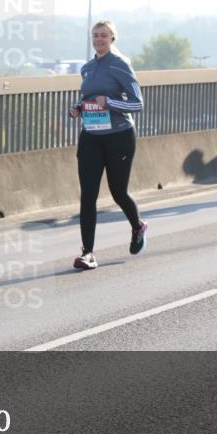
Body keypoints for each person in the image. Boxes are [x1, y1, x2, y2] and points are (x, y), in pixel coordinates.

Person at [68, 20, 146, 270]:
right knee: (87, 196)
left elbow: (137, 103)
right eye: (95, 35)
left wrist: (110, 103)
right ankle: (87, 253)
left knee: (118, 192)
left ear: (112, 39)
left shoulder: (120, 64)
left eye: (104, 35)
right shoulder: (87, 68)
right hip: (91, 136)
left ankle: (138, 226)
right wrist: (79, 108)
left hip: (119, 136)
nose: (99, 39)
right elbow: (89, 98)